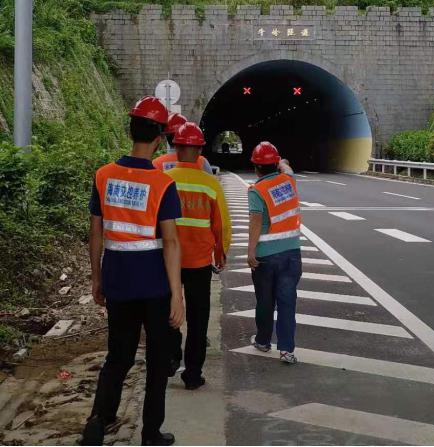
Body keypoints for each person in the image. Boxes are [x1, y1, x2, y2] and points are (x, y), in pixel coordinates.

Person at [81, 96, 185, 446]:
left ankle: (97, 423)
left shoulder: (104, 175)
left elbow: (96, 233)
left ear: (130, 131)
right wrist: (177, 295)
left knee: (118, 355)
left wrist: (97, 278)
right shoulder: (162, 184)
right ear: (160, 137)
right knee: (157, 360)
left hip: (118, 280)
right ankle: (151, 433)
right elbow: (171, 242)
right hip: (154, 285)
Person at [165, 122, 231, 389]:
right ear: (201, 150)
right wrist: (221, 252)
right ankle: (193, 374)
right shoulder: (210, 183)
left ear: (176, 147)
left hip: (167, 261)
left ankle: (171, 358)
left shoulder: (165, 180)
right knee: (198, 318)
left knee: (168, 310)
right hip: (200, 262)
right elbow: (221, 223)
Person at [247, 142, 302, 364]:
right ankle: (287, 349)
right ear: (275, 164)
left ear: (256, 167)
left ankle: (263, 341)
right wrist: (282, 163)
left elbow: (255, 222)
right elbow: (287, 167)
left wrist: (251, 251)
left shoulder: (256, 190)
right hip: (291, 253)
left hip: (266, 256)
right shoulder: (289, 180)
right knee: (287, 301)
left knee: (265, 300)